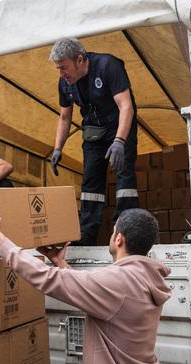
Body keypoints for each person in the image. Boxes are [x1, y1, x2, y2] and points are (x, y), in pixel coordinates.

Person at [0, 208, 171, 364]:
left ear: (119, 238)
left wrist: (0, 242)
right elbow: (100, 293)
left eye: (113, 232)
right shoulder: (143, 277)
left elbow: (48, 278)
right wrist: (62, 265)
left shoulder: (120, 282)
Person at [49, 38, 139, 245]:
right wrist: (57, 148)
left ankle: (125, 230)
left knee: (123, 174)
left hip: (119, 124)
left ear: (80, 60)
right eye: (58, 69)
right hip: (93, 130)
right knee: (90, 181)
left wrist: (119, 141)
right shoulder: (65, 83)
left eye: (64, 68)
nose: (61, 73)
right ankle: (87, 234)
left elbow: (126, 107)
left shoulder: (108, 66)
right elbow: (65, 117)